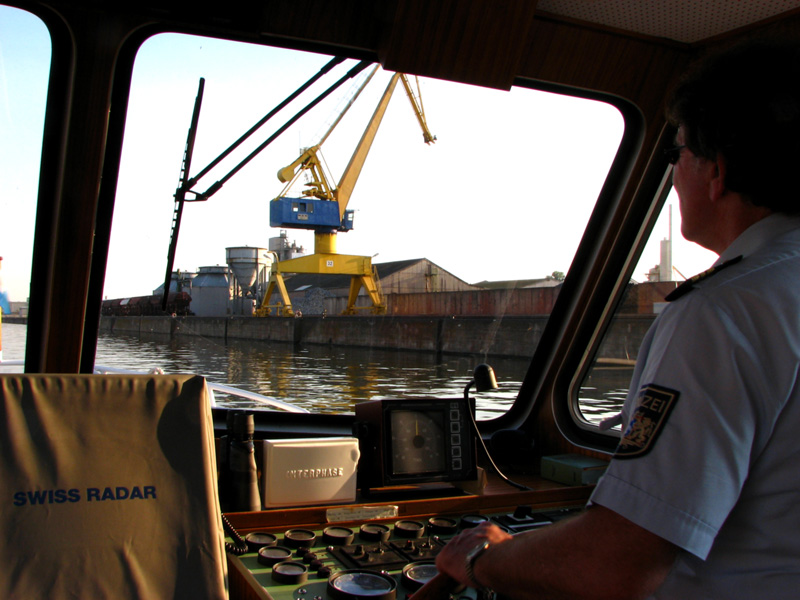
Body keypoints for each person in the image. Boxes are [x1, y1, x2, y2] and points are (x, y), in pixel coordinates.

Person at [435, 40, 800, 599]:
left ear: (717, 173)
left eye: (675, 154)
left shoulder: (723, 314)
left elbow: (616, 566)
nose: (673, 173)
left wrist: (486, 560)